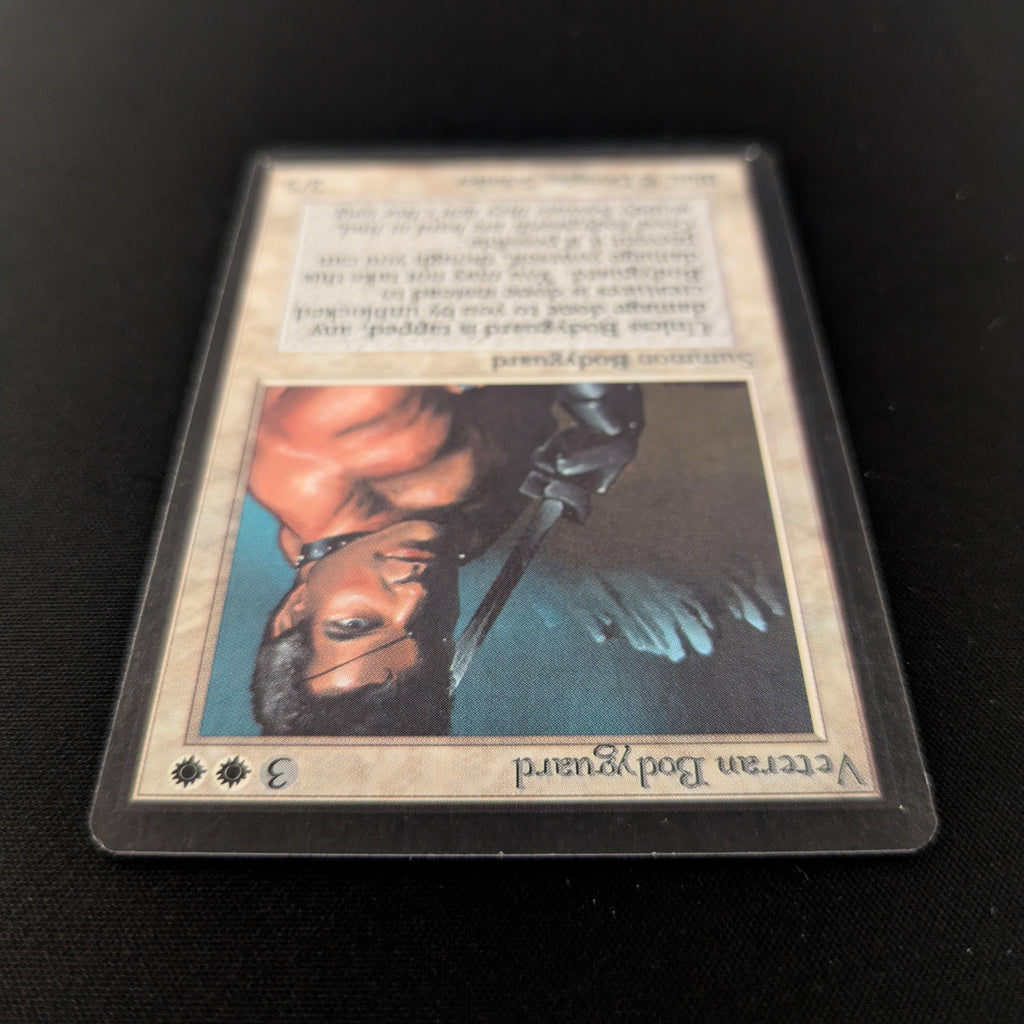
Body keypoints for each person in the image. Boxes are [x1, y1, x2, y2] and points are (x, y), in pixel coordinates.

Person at [247, 384, 559, 735]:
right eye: (427, 632)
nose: (415, 595)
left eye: (357, 624)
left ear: (294, 611)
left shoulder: (320, 442)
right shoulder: (450, 539)